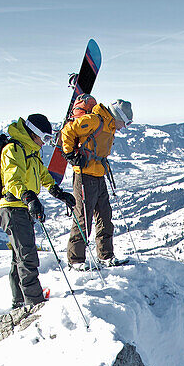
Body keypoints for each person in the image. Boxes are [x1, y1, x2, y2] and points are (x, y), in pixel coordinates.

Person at [0, 113, 76, 310]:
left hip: (22, 208)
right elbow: (12, 180)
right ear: (33, 133)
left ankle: (20, 301)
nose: (46, 142)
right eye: (45, 138)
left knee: (19, 258)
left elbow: (43, 174)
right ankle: (34, 302)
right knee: (27, 257)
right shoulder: (13, 150)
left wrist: (57, 192)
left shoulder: (30, 151)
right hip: (13, 208)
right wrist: (29, 198)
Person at [61, 97, 133, 267]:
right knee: (83, 217)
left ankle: (106, 256)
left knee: (105, 216)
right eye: (124, 122)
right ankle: (76, 260)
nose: (124, 126)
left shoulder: (109, 125)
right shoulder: (95, 120)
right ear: (117, 116)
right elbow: (67, 131)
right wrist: (70, 154)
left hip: (98, 175)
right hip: (84, 175)